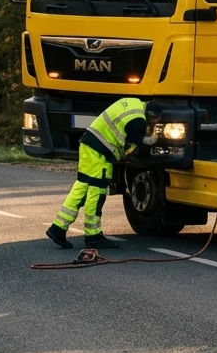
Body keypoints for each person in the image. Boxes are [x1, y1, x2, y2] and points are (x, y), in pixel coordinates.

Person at [45, 97, 153, 249]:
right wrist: (152, 140)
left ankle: (57, 228)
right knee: (96, 195)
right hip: (100, 154)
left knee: (80, 188)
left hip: (88, 145)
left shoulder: (133, 102)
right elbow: (138, 141)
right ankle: (93, 236)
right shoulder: (138, 120)